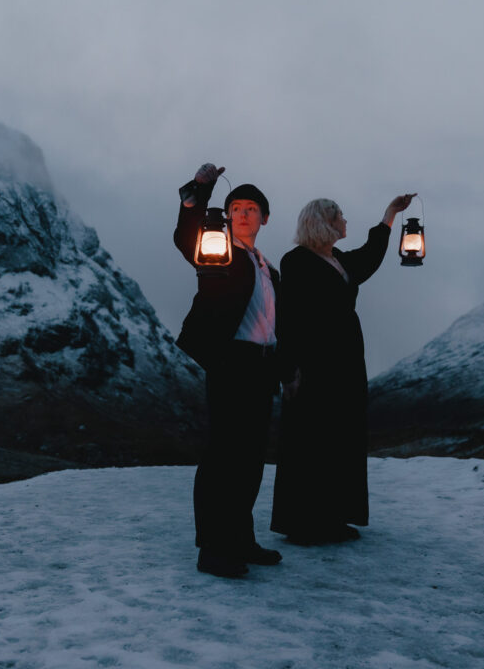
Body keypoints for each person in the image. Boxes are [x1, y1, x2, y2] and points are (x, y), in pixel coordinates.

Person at [271, 193, 416, 545]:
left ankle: (333, 517)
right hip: (315, 363)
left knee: (341, 437)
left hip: (346, 361)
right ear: (325, 221)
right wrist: (288, 369)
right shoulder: (296, 261)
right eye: (341, 216)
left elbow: (369, 256)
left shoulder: (338, 260)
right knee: (312, 439)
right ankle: (304, 523)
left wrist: (390, 215)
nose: (346, 221)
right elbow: (287, 318)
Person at [174, 162, 283, 577]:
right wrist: (200, 190)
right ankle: (213, 549)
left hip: (262, 367)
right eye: (235, 207)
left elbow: (277, 324)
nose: (241, 214)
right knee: (223, 457)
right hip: (229, 362)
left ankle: (241, 539)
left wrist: (287, 369)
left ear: (264, 218)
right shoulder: (213, 251)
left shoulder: (269, 268)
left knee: (251, 458)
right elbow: (184, 235)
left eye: (251, 208)